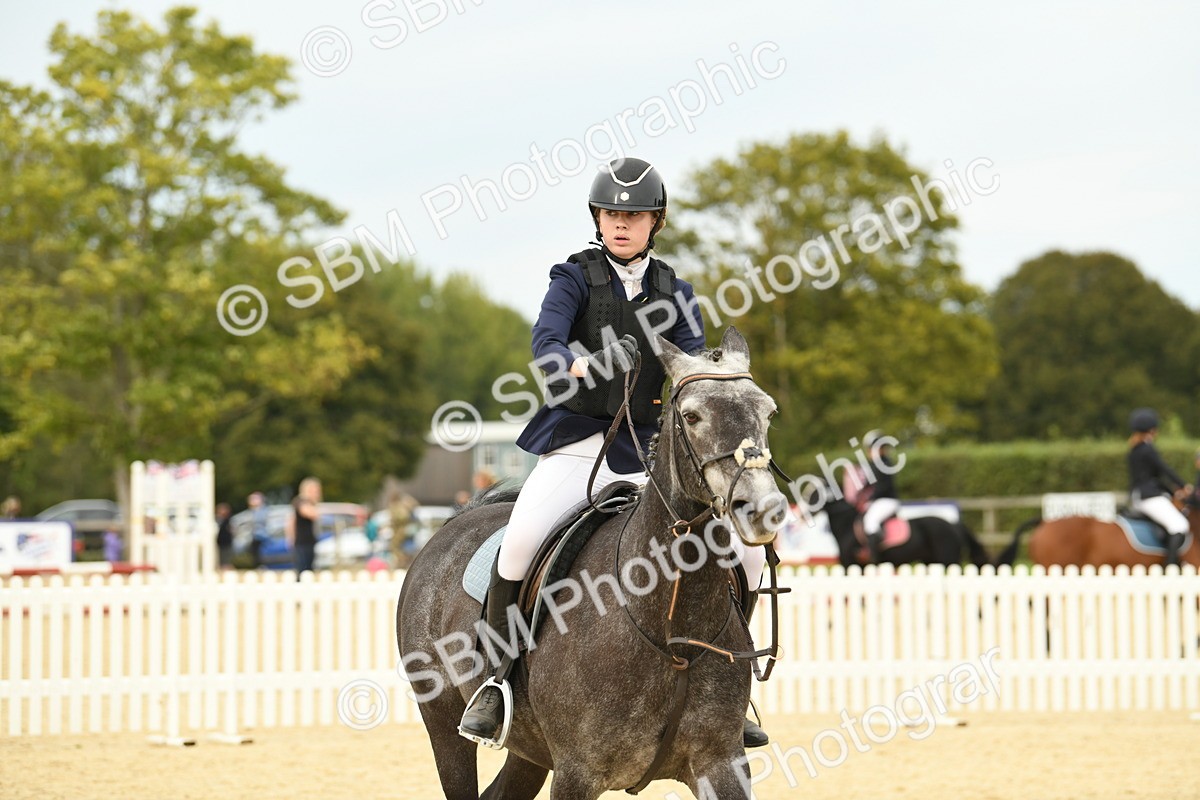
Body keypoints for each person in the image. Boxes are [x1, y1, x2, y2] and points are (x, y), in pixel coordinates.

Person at [459, 157, 771, 748]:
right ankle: (495, 684)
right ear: (597, 219)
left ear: (655, 222)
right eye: (610, 213)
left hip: (648, 453)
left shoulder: (674, 291)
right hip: (578, 442)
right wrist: (568, 361)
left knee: (747, 556)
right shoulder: (573, 278)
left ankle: (734, 681)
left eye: (633, 215)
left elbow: (692, 365)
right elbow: (546, 337)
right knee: (521, 542)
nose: (620, 224)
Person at [1127, 408, 1192, 567]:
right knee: (1180, 525)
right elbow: (1164, 469)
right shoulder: (1148, 448)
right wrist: (1184, 486)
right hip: (1149, 497)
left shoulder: (1133, 449)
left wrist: (1172, 492)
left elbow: (1154, 478)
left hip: (1137, 496)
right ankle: (1170, 566)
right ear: (1152, 429)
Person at [860, 430, 900, 564]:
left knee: (871, 522)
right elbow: (867, 485)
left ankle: (875, 556)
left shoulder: (885, 463)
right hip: (878, 501)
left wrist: (869, 499)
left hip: (886, 501)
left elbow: (882, 487)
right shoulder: (873, 464)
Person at [286, 477, 321, 574]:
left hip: (309, 541)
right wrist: (291, 538)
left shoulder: (310, 503)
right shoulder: (300, 501)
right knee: (302, 570)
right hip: (301, 542)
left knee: (309, 570)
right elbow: (310, 514)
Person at [215, 502, 234, 569]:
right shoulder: (217, 520)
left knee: (226, 556)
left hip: (227, 542)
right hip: (219, 542)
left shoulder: (229, 520)